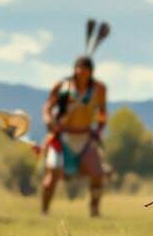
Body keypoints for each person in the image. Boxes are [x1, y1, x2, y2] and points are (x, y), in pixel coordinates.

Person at [41, 20, 110, 217]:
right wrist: (49, 120)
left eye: (85, 70)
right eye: (79, 69)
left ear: (90, 72)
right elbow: (48, 106)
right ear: (75, 69)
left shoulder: (98, 89)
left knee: (97, 174)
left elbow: (102, 112)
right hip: (62, 139)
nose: (81, 73)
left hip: (86, 138)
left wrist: (100, 128)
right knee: (51, 176)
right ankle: (45, 211)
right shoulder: (62, 87)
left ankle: (94, 210)